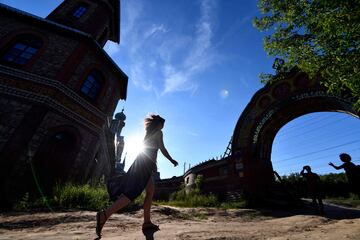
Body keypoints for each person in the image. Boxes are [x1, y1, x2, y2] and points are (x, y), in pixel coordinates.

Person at [96, 114, 178, 237]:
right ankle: (105, 214)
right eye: (163, 124)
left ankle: (147, 222)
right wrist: (172, 160)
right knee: (132, 192)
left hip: (143, 163)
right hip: (145, 165)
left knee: (150, 191)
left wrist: (152, 164)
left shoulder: (149, 133)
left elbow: (148, 149)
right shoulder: (159, 132)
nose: (163, 127)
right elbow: (162, 148)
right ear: (159, 124)